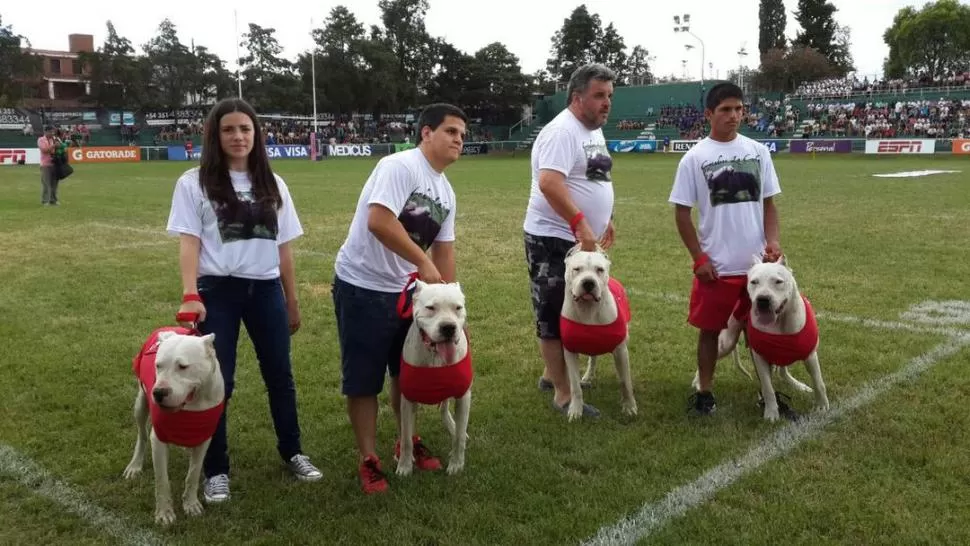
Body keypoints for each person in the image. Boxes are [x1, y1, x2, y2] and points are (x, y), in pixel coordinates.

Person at [166, 97, 322, 504]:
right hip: (218, 291)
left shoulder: (274, 184)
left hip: (266, 291)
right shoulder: (194, 183)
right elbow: (189, 243)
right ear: (216, 136)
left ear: (257, 134)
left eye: (246, 129)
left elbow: (284, 248)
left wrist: (292, 299)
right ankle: (215, 470)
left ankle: (293, 452)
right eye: (229, 129)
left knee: (280, 377)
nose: (239, 136)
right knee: (219, 382)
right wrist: (190, 294)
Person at [331, 103, 467, 494]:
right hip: (363, 286)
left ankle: (405, 441)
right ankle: (368, 458)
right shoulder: (400, 166)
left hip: (408, 294)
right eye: (451, 131)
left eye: (462, 135)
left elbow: (445, 249)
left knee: (406, 373)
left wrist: (450, 305)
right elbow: (379, 220)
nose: (459, 139)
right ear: (426, 133)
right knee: (363, 378)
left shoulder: (446, 190)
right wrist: (422, 262)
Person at [667, 82, 786, 417]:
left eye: (738, 109)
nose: (734, 116)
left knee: (762, 334)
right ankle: (704, 392)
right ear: (709, 114)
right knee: (708, 333)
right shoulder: (694, 158)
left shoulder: (758, 152)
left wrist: (772, 242)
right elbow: (681, 212)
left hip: (756, 268)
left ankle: (768, 394)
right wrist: (699, 258)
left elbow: (769, 204)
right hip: (716, 267)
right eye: (725, 110)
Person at [523, 63, 617, 418]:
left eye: (609, 96)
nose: (606, 103)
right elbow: (549, 183)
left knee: (575, 304)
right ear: (577, 98)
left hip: (581, 236)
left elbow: (598, 175)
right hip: (552, 236)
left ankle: (552, 374)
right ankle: (563, 394)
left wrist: (607, 216)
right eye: (599, 96)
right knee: (551, 310)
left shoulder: (593, 131)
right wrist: (580, 222)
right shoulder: (562, 131)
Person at [38, 126, 58, 206]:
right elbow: (44, 150)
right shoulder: (41, 140)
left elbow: (58, 149)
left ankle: (53, 200)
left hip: (54, 164)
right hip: (45, 164)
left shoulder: (53, 139)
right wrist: (54, 146)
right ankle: (45, 200)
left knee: (54, 184)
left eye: (53, 132)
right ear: (46, 131)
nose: (52, 133)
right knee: (46, 183)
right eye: (51, 132)